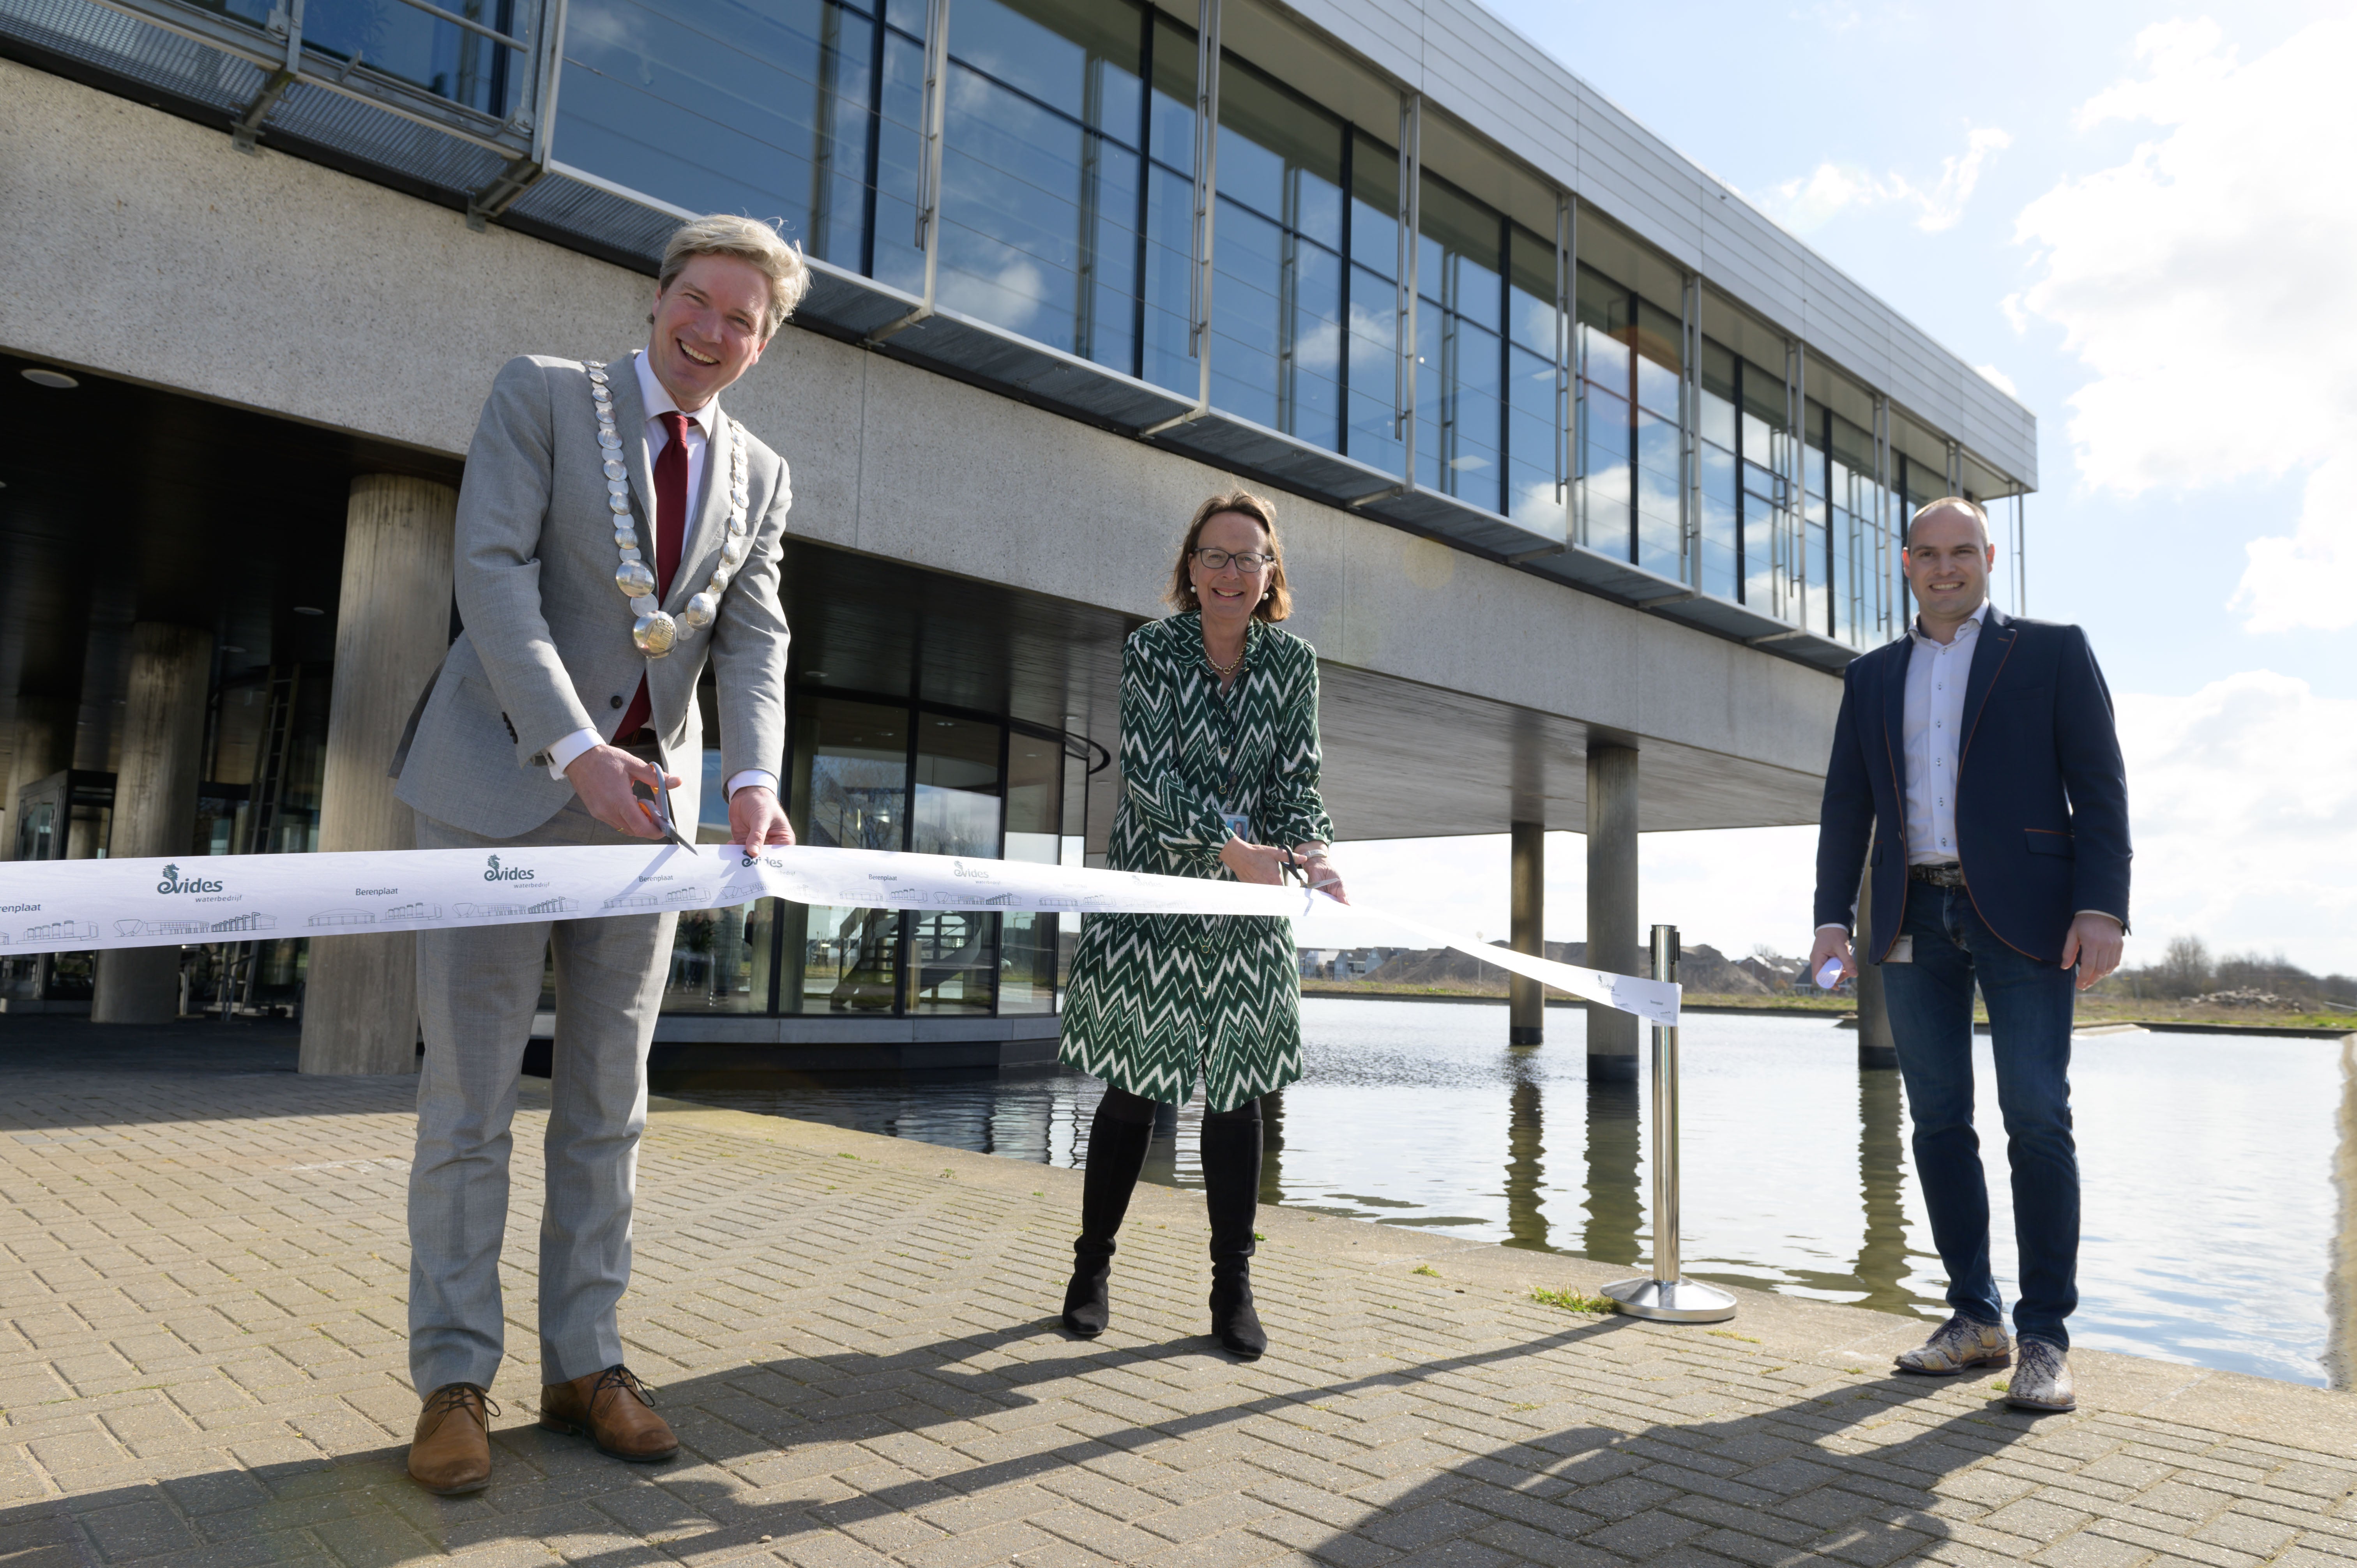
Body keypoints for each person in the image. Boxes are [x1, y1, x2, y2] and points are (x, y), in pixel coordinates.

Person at [387, 215, 804, 1494]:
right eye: (695, 299)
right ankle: (453, 1380)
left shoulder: (763, 474)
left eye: (742, 318)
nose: (711, 330)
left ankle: (587, 1362)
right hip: (498, 794)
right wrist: (571, 745)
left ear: (763, 342)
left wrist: (748, 780)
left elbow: (752, 639)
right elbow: (493, 574)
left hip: (650, 829)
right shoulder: (542, 396)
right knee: (467, 1104)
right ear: (656, 298)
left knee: (609, 1104)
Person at [1808, 497, 2129, 1414]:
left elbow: (2100, 788)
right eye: (1928, 553)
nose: (1945, 567)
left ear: (1989, 556)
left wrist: (2102, 905)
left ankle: (2044, 1337)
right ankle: (1974, 1317)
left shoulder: (2054, 651)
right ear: (1904, 563)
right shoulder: (1870, 676)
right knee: (1938, 1120)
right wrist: (1834, 917)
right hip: (1911, 911)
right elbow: (1846, 807)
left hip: (2025, 915)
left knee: (2037, 1117)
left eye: (1962, 551)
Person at [1056, 491, 1345, 1360]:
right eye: (1215, 556)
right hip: (1159, 892)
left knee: (1238, 1092)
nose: (1230, 572)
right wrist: (1230, 848)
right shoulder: (1151, 649)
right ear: (1190, 569)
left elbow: (1298, 779)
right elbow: (1147, 777)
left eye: (1248, 557)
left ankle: (1232, 1287)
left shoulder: (1293, 665)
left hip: (1250, 902)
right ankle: (1090, 1268)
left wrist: (1311, 846)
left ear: (1270, 574)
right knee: (1134, 1088)